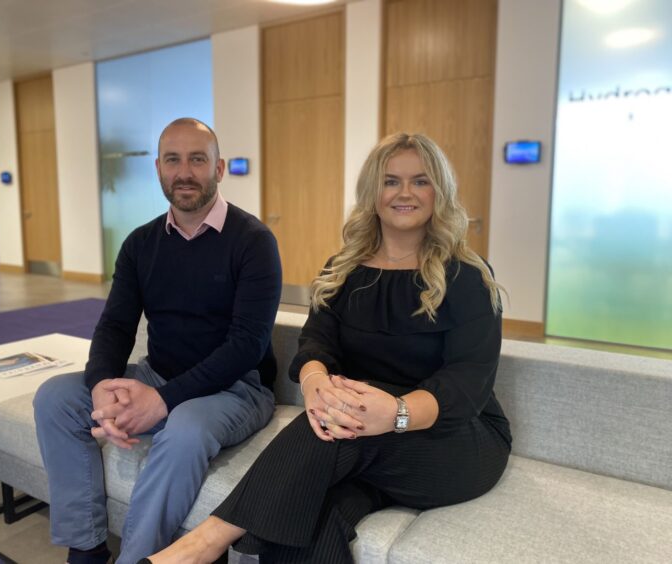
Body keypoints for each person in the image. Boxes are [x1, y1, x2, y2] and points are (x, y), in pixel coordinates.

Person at [145, 132, 512, 564]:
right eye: (391, 181)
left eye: (421, 181)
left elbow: (466, 385)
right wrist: (316, 381)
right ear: (373, 192)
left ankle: (201, 545)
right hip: (361, 433)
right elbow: (316, 341)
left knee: (341, 425)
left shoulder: (468, 276)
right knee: (308, 516)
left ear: (440, 191)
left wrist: (394, 412)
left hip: (451, 439)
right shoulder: (343, 270)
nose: (405, 193)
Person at [33, 117, 282, 564]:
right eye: (173, 160)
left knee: (185, 428)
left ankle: (137, 559)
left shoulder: (254, 241)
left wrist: (162, 401)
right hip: (158, 373)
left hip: (237, 387)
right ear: (159, 169)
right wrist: (101, 386)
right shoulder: (140, 243)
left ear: (219, 168)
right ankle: (86, 549)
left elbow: (247, 344)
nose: (184, 172)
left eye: (197, 159)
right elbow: (115, 326)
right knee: (55, 397)